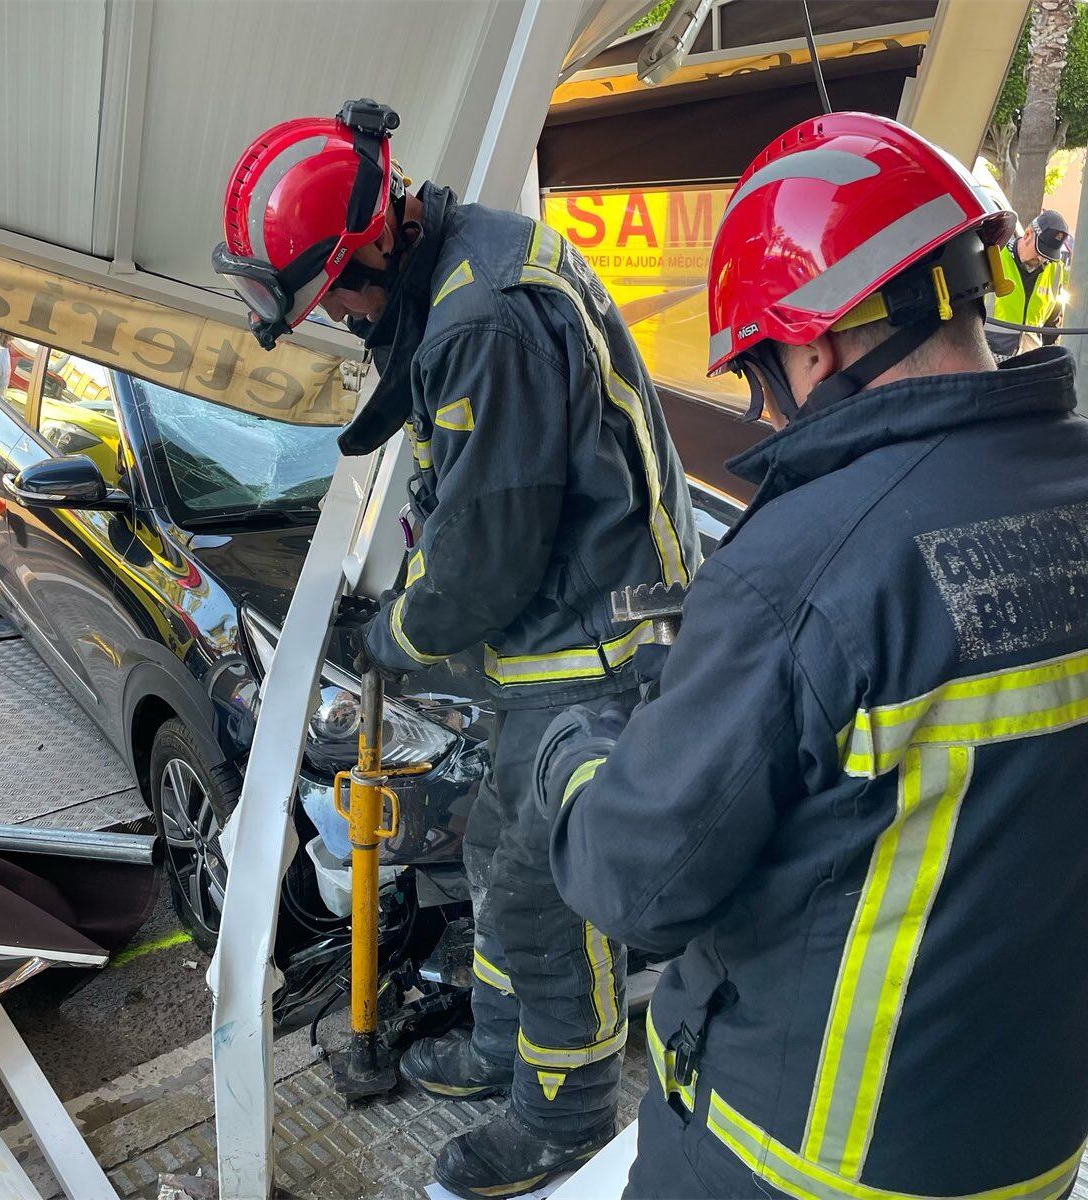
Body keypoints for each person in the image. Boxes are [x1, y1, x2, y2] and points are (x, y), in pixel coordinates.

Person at [538, 113, 1088, 1198]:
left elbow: (634, 886)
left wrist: (585, 751)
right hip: (1031, 1148)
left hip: (796, 1162)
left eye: (763, 370)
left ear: (813, 343)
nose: (769, 396)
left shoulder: (806, 565)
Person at [213, 100, 699, 1197]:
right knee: (495, 853)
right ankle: (496, 1042)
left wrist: (387, 635)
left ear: (371, 243)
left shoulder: (480, 325)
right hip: (571, 624)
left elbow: (485, 559)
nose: (332, 313)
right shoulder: (456, 277)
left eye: (330, 291)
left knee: (539, 894)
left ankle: (562, 1117)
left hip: (597, 646)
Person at [986, 207, 1070, 359]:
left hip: (1029, 359)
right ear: (1027, 235)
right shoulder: (996, 258)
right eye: (1040, 251)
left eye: (1048, 255)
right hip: (990, 356)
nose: (1042, 260)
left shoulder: (1055, 269)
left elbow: (1053, 322)